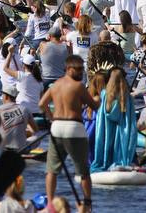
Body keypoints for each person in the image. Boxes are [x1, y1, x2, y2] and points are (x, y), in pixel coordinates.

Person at [38, 55, 98, 213]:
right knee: (83, 171)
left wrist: (52, 119)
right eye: (77, 69)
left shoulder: (55, 85)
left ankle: (50, 205)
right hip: (74, 127)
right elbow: (93, 105)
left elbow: (41, 104)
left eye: (81, 69)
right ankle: (87, 203)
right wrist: (100, 98)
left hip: (56, 126)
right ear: (68, 69)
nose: (80, 72)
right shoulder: (78, 86)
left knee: (52, 170)